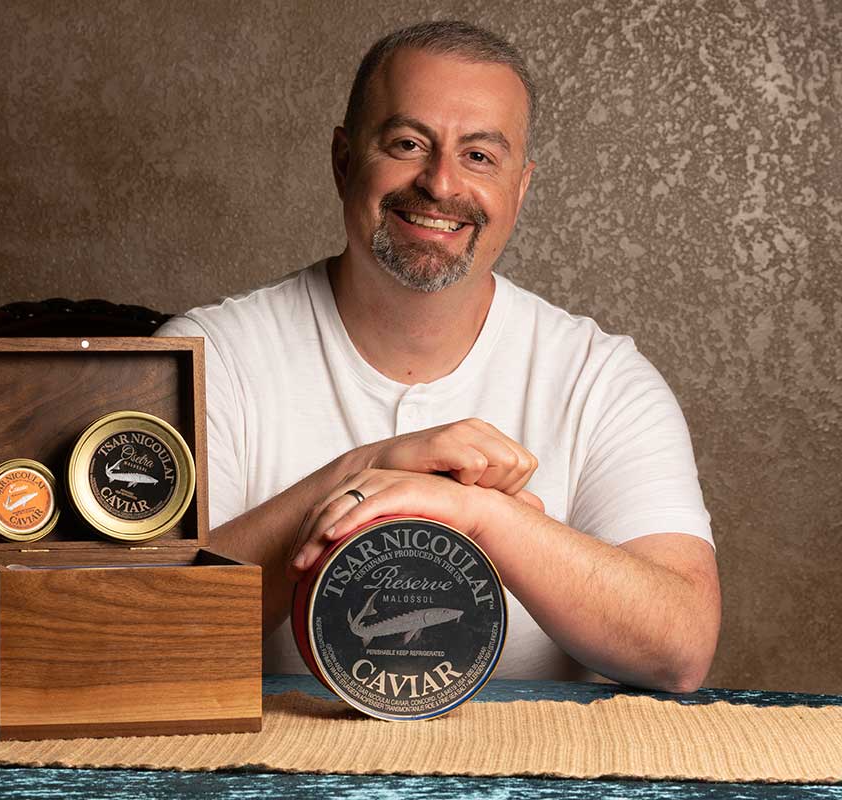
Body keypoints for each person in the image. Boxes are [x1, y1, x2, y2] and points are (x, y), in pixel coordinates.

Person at [155, 20, 720, 692]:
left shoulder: (603, 380)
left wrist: (481, 515)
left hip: (527, 759)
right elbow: (141, 637)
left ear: (520, 189)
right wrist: (365, 471)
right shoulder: (204, 358)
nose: (441, 183)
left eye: (479, 156)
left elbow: (680, 648)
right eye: (407, 144)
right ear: (343, 161)